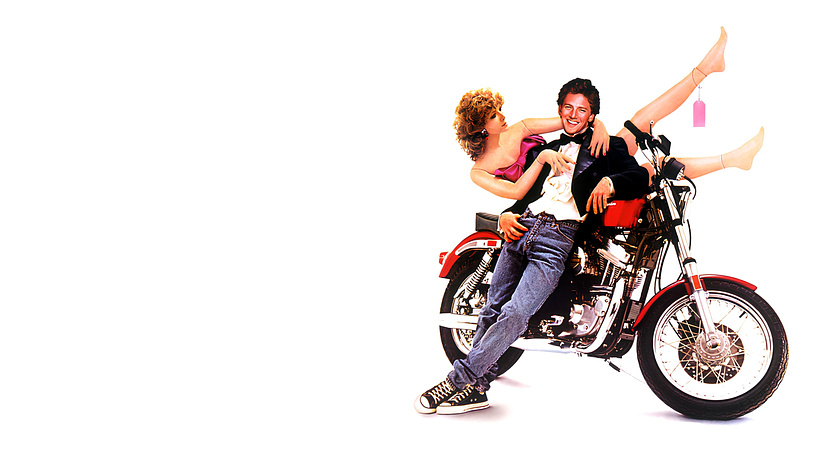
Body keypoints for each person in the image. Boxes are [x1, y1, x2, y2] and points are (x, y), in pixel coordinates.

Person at [415, 78, 650, 414]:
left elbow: (639, 177)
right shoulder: (546, 149)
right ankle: (477, 389)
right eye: (568, 107)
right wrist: (505, 217)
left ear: (591, 114)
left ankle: (456, 382)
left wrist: (610, 181)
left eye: (582, 110)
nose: (573, 114)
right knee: (492, 309)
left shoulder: (607, 146)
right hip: (522, 227)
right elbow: (524, 195)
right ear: (560, 110)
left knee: (516, 312)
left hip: (558, 237)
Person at [458, 27, 764, 200]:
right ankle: (731, 159)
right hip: (558, 193)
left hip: (583, 160)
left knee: (640, 124)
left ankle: (704, 70)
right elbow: (516, 193)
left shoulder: (517, 129)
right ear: (479, 127)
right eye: (494, 115)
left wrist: (600, 125)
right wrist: (542, 159)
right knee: (654, 168)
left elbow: (573, 121)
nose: (502, 116)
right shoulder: (478, 172)